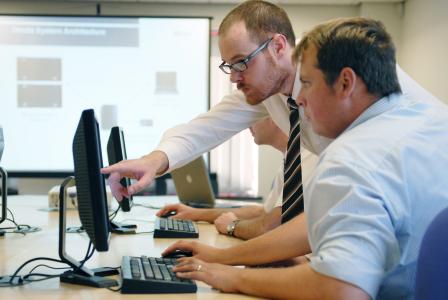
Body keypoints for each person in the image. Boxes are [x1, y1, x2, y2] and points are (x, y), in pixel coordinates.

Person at [164, 18, 448, 299]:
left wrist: (233, 276)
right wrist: (223, 257)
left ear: (346, 83)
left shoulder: (351, 157)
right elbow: (318, 224)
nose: (298, 100)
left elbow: (341, 290)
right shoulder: (432, 121)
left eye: (308, 83)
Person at [102, 0, 326, 239]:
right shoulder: (266, 90)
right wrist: (152, 161)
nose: (233, 78)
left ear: (278, 46)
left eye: (241, 62)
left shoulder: (328, 77)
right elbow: (207, 127)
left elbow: (284, 224)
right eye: (229, 66)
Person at [156, 117, 289, 240]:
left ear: (275, 116)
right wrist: (196, 214)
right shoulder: (287, 159)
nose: (248, 125)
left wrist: (233, 226)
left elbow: (269, 227)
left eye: (254, 117)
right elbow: (263, 212)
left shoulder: (301, 159)